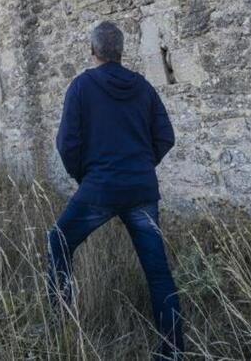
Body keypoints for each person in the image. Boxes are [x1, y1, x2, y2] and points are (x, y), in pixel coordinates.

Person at [47, 20, 184, 360]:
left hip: (100, 187)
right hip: (140, 188)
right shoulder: (143, 87)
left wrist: (85, 177)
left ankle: (62, 327)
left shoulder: (81, 86)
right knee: (158, 272)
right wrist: (138, 166)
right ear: (121, 52)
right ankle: (173, 351)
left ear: (93, 51)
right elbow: (165, 137)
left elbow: (67, 144)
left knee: (58, 242)